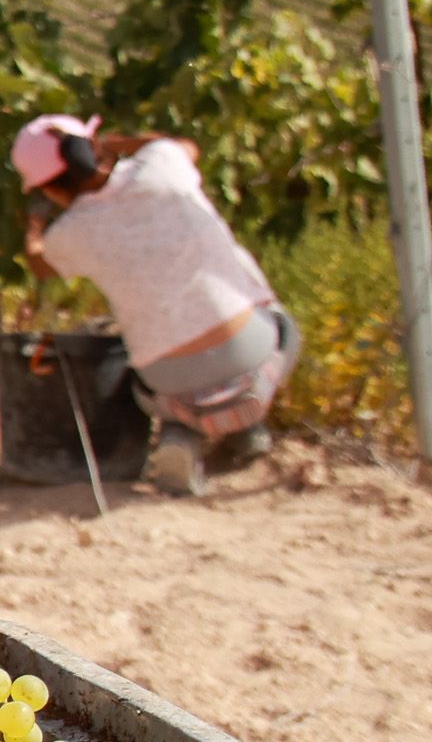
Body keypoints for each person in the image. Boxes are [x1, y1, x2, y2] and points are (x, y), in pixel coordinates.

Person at [15, 114, 299, 498]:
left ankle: (181, 433)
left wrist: (33, 227)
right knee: (282, 326)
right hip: (242, 348)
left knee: (149, 381)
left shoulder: (68, 235)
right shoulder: (162, 166)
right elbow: (182, 145)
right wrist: (122, 142)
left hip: (165, 377)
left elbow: (39, 263)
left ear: (47, 188)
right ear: (91, 146)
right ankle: (247, 430)